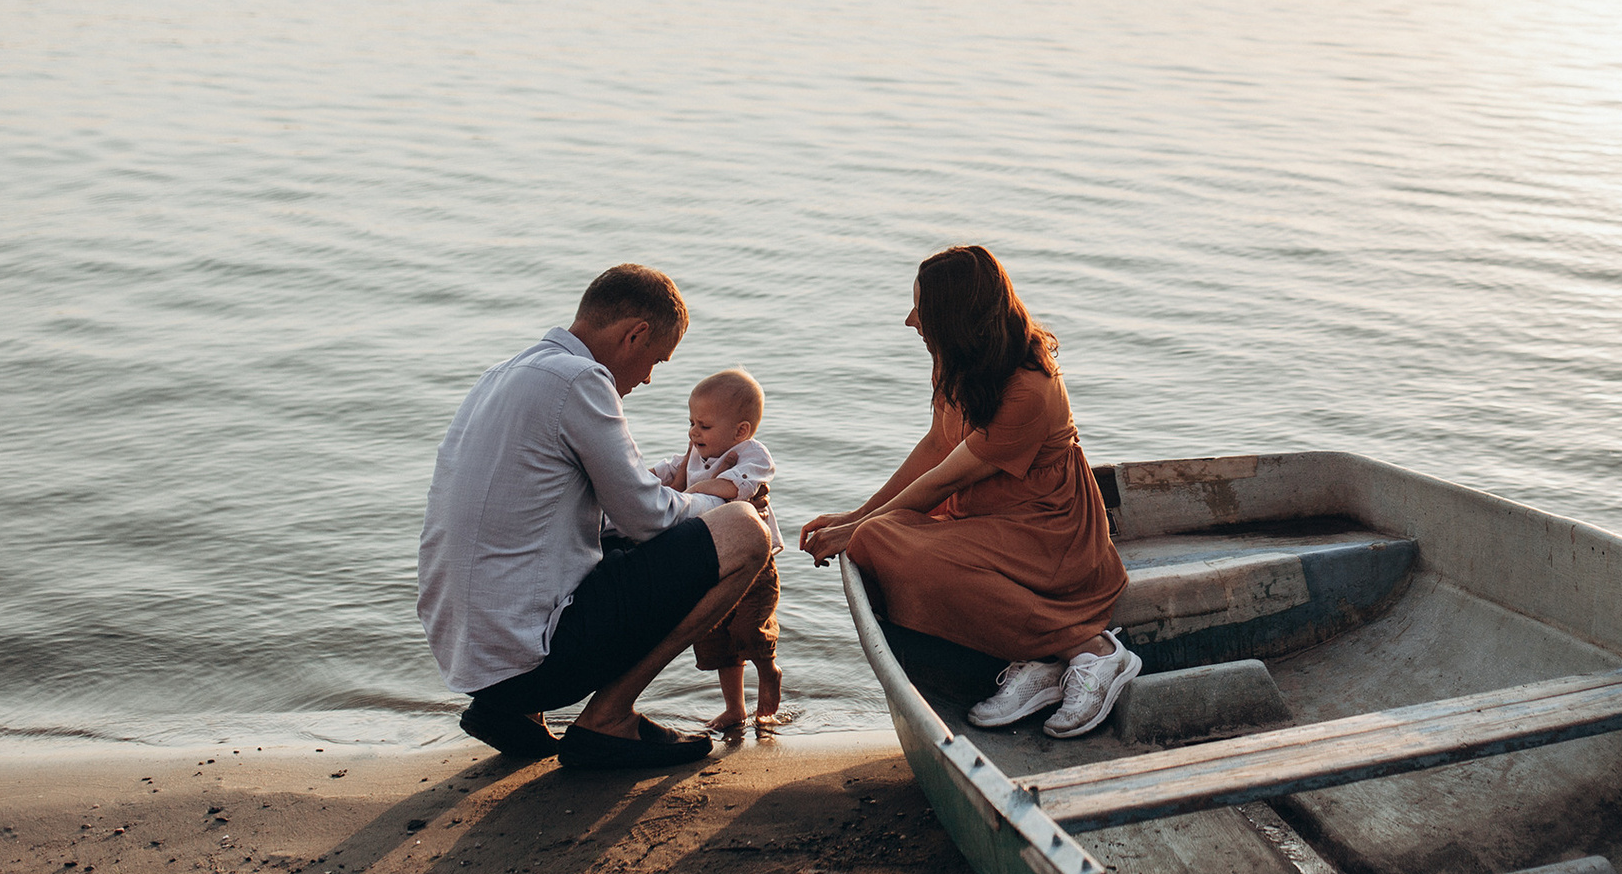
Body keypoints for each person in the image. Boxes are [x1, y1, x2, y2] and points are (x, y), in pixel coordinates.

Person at [417, 264, 773, 769]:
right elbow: (647, 517)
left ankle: (509, 708)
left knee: (617, 539)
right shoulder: (580, 380)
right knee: (745, 533)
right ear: (635, 334)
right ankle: (608, 717)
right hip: (532, 659)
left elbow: (562, 520)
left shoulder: (503, 374)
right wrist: (720, 504)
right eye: (656, 360)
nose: (649, 377)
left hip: (470, 657)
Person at [799, 245, 1137, 738]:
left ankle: (1093, 653)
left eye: (922, 310)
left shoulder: (1027, 387)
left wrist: (854, 528)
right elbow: (937, 447)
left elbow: (947, 478)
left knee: (880, 542)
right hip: (984, 521)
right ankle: (1038, 661)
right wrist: (858, 516)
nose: (910, 320)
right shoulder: (956, 362)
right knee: (874, 539)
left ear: (956, 317)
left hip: (1049, 532)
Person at [655, 368, 785, 729]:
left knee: (748, 630)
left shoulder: (751, 453)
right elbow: (672, 473)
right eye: (691, 422)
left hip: (754, 564)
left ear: (740, 431)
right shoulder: (696, 454)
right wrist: (651, 478)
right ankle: (735, 708)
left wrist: (694, 493)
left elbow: (737, 488)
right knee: (715, 636)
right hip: (712, 559)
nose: (694, 432)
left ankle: (768, 671)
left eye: (704, 426)